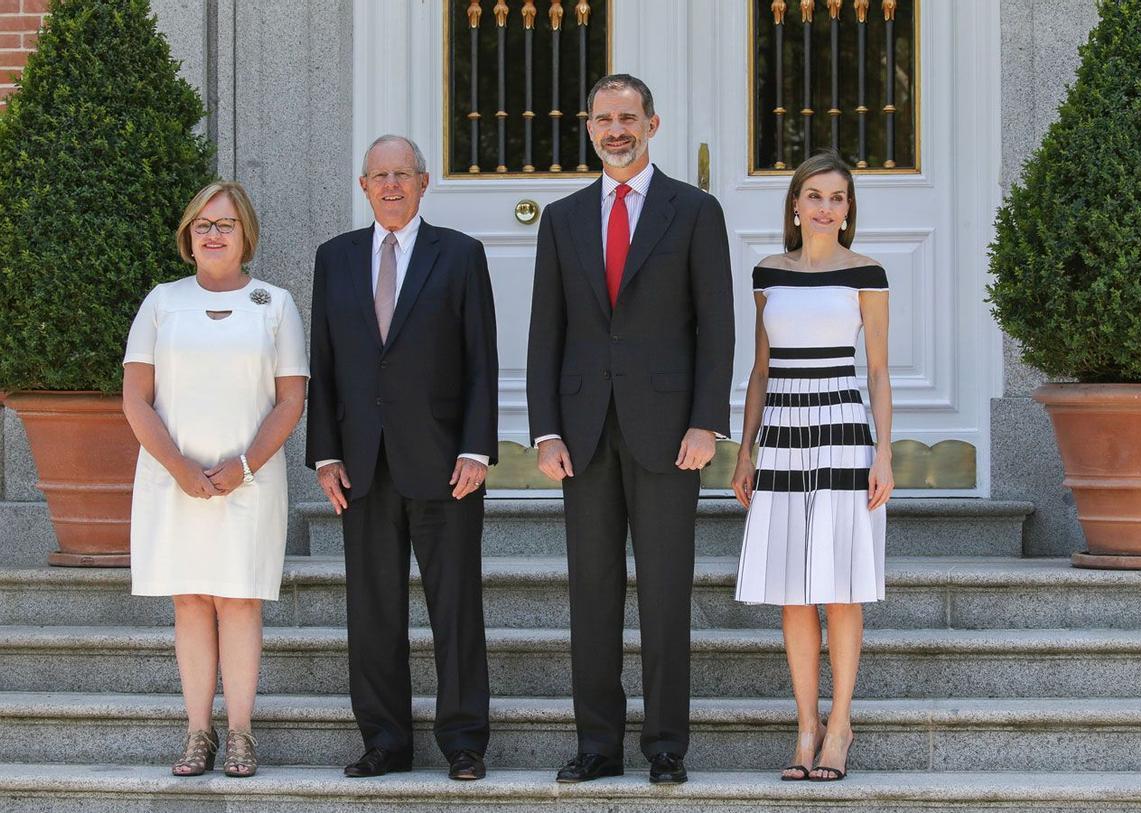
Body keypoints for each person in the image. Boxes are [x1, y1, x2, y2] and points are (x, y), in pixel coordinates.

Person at [527, 74, 735, 785]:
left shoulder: (695, 211)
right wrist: (545, 430)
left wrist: (709, 420)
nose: (615, 129)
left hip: (671, 429)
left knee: (666, 590)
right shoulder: (562, 218)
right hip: (583, 432)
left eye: (627, 117)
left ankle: (666, 744)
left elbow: (717, 326)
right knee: (591, 590)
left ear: (653, 123)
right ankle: (597, 744)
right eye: (603, 118)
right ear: (588, 126)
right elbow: (544, 335)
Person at [306, 134, 498, 781]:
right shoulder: (333, 260)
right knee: (373, 609)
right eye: (379, 176)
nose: (391, 185)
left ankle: (465, 740)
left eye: (402, 174)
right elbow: (324, 366)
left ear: (423, 182)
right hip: (361, 463)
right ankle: (385, 740)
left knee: (455, 607)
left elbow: (481, 361)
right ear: (364, 186)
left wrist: (478, 446)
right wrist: (324, 454)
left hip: (446, 462)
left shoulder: (461, 255)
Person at [123, 181, 310, 778]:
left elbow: (290, 400)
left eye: (225, 223)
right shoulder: (160, 302)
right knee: (191, 599)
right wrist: (178, 467)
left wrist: (244, 465)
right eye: (203, 223)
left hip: (248, 482)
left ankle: (241, 733)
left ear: (245, 234)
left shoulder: (275, 304)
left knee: (239, 598)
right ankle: (198, 732)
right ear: (188, 234)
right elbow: (136, 398)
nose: (212, 233)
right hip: (173, 480)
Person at [731, 150, 894, 782]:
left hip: (843, 432)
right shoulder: (768, 272)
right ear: (795, 205)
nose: (826, 207)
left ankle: (841, 724)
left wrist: (884, 452)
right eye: (815, 195)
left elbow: (877, 370)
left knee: (840, 586)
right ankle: (805, 726)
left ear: (848, 210)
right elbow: (760, 369)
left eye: (838, 197)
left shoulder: (868, 273)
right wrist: (745, 450)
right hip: (782, 434)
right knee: (793, 593)